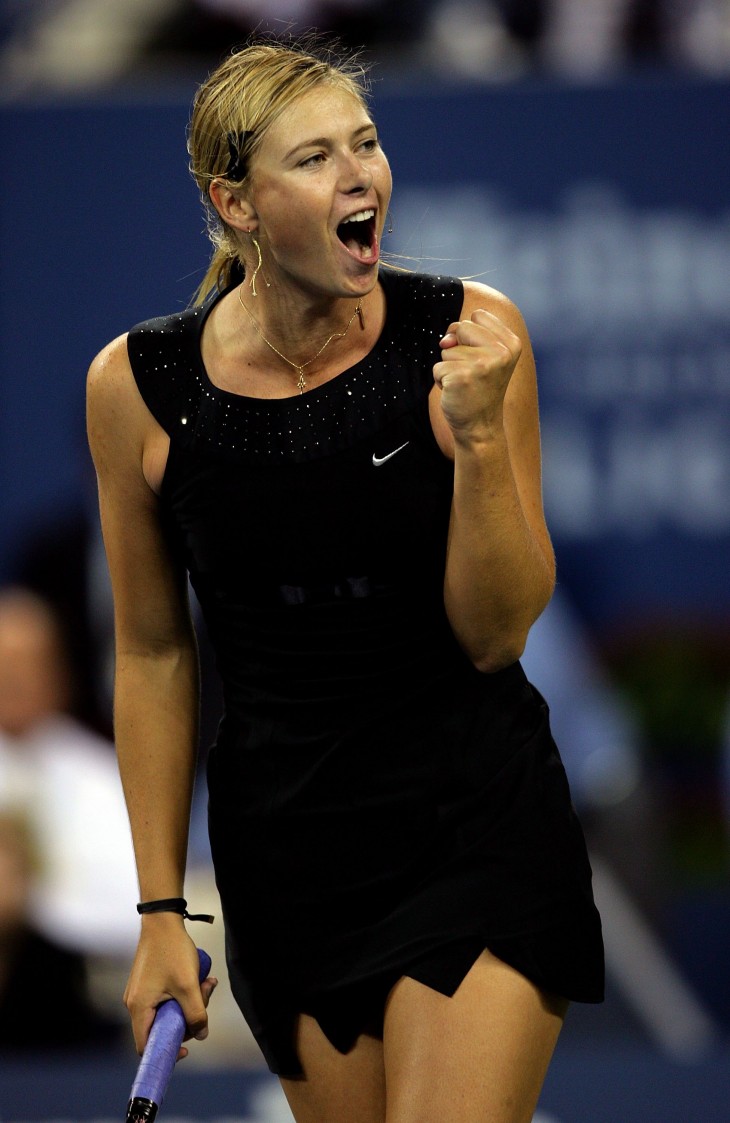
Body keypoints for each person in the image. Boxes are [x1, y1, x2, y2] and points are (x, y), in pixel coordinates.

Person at [86, 36, 604, 1122]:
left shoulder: (468, 336)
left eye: (364, 144)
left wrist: (478, 440)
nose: (359, 175)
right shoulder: (135, 386)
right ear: (235, 202)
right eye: (315, 158)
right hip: (287, 858)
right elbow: (152, 649)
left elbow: (497, 632)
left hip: (474, 822)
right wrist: (159, 911)